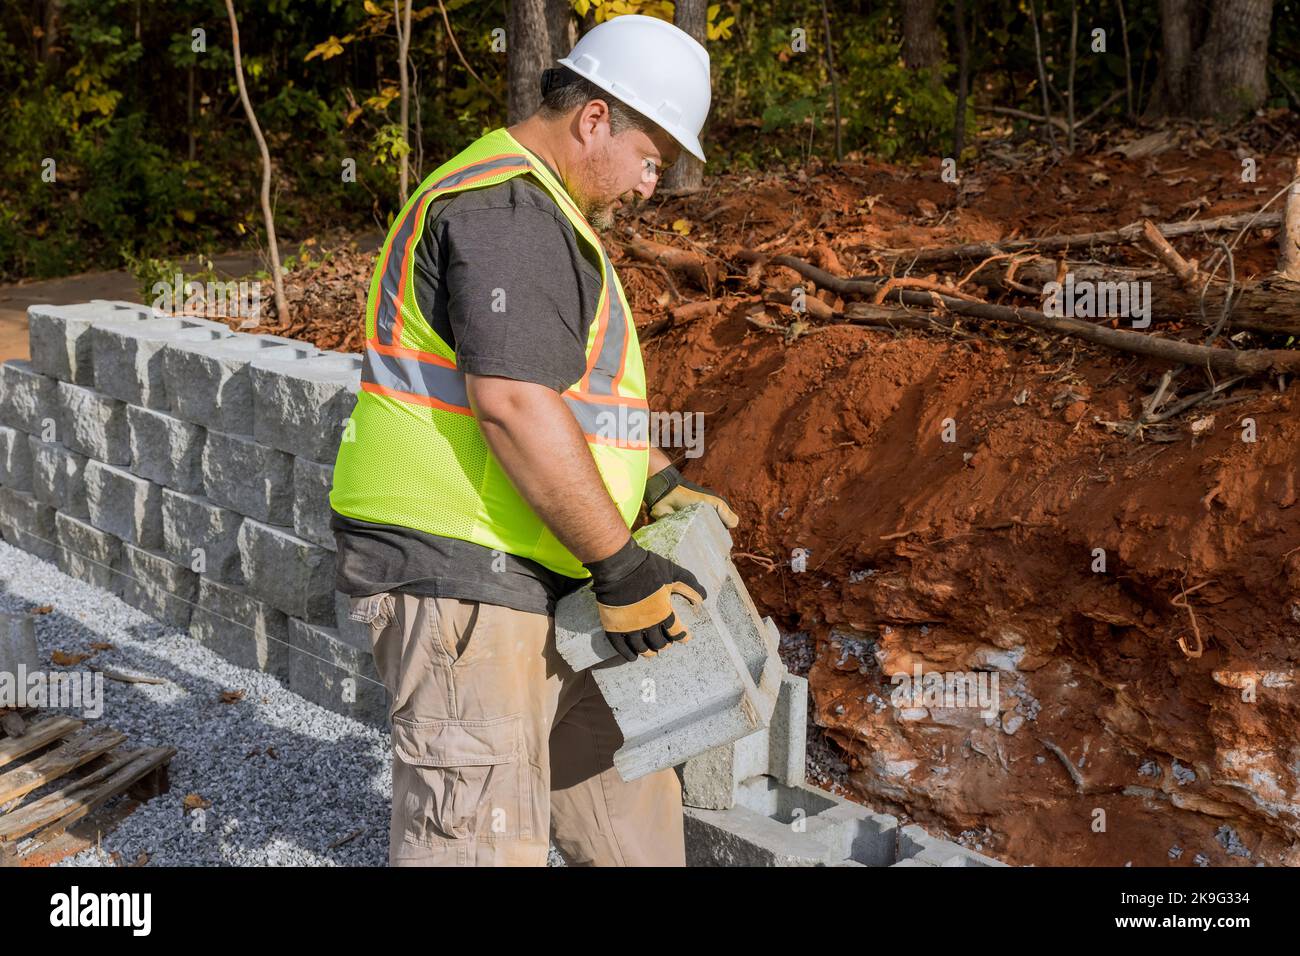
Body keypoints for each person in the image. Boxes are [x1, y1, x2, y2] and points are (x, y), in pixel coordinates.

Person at [328, 14, 739, 867]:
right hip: (467, 573)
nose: (649, 187)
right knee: (477, 838)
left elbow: (562, 395)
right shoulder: (508, 208)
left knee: (628, 810)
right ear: (596, 120)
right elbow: (514, 404)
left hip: (551, 567)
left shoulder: (535, 207)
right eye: (650, 157)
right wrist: (624, 567)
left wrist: (655, 482)